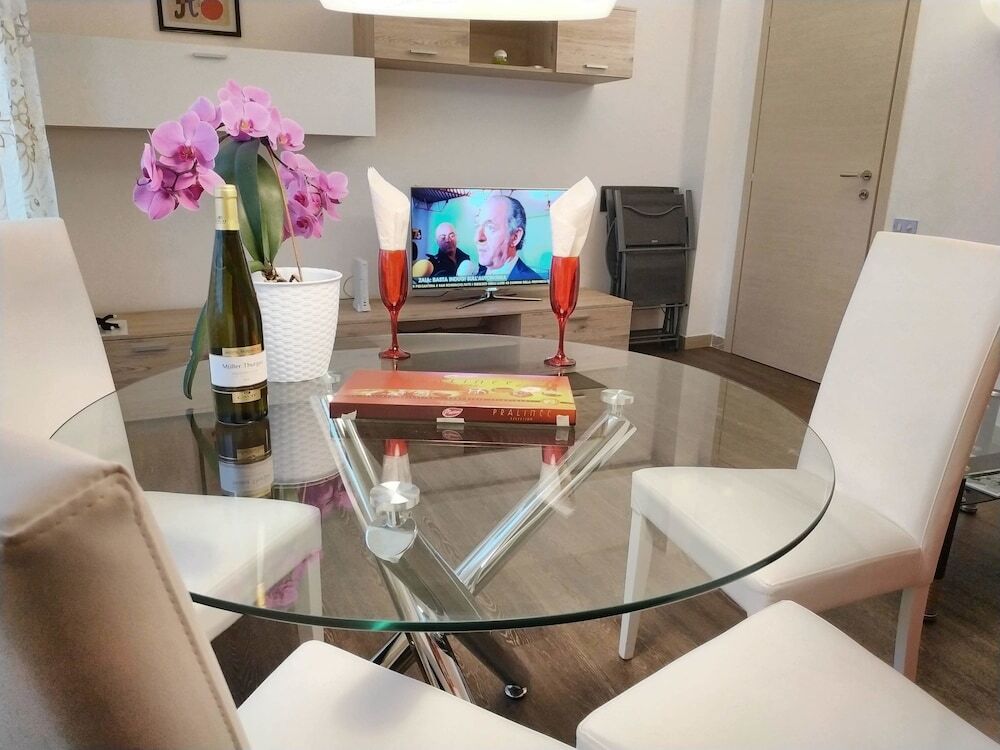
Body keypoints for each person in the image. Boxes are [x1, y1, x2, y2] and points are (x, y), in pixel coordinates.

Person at [474, 194, 543, 282]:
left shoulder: (533, 283)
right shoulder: (476, 278)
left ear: (515, 237)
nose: (478, 238)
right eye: (477, 226)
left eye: (490, 227)